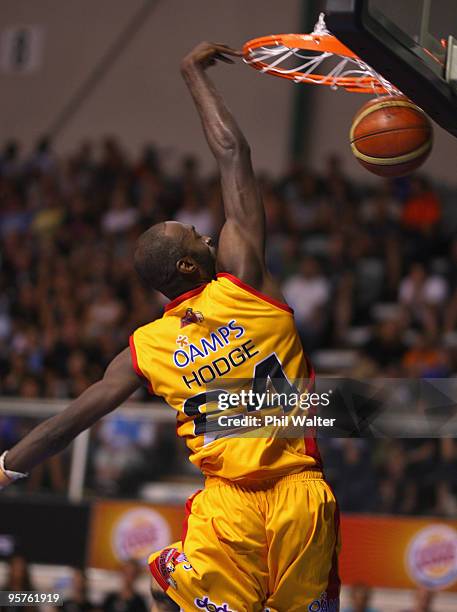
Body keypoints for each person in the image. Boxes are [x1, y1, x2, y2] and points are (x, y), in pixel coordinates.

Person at [0, 42, 340, 611]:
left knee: (177, 587)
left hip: (225, 509)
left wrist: (6, 470)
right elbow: (234, 152)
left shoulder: (145, 349)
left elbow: (66, 424)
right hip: (297, 500)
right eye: (195, 237)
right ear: (189, 265)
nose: (208, 237)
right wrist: (193, 74)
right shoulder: (247, 283)